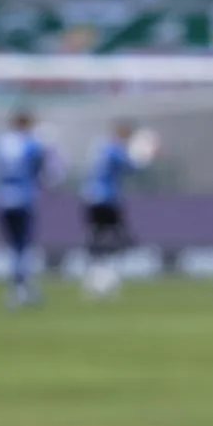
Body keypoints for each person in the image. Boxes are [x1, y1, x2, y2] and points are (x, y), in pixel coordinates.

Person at [0, 108, 55, 308]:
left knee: (13, 246)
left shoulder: (0, 142)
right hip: (23, 198)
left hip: (2, 197)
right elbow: (41, 169)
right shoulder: (31, 143)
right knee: (23, 245)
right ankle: (20, 287)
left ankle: (20, 287)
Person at [80, 120, 147, 298]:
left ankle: (92, 279)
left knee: (95, 237)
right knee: (117, 238)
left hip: (90, 197)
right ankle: (106, 278)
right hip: (107, 199)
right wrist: (145, 155)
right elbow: (132, 167)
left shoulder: (99, 146)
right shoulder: (115, 148)